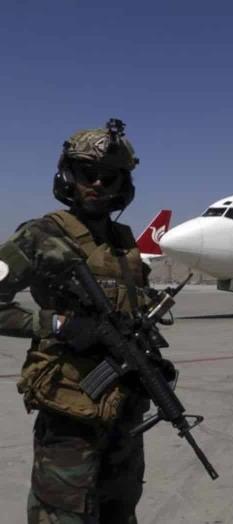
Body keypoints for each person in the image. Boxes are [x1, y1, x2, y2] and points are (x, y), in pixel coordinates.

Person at [0, 119, 152, 523]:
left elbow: (133, 312)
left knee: (120, 510)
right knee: (62, 514)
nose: (97, 184)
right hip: (69, 411)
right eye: (87, 174)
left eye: (108, 176)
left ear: (123, 183)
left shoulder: (124, 242)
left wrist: (151, 362)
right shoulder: (40, 235)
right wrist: (55, 326)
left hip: (123, 412)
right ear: (68, 175)